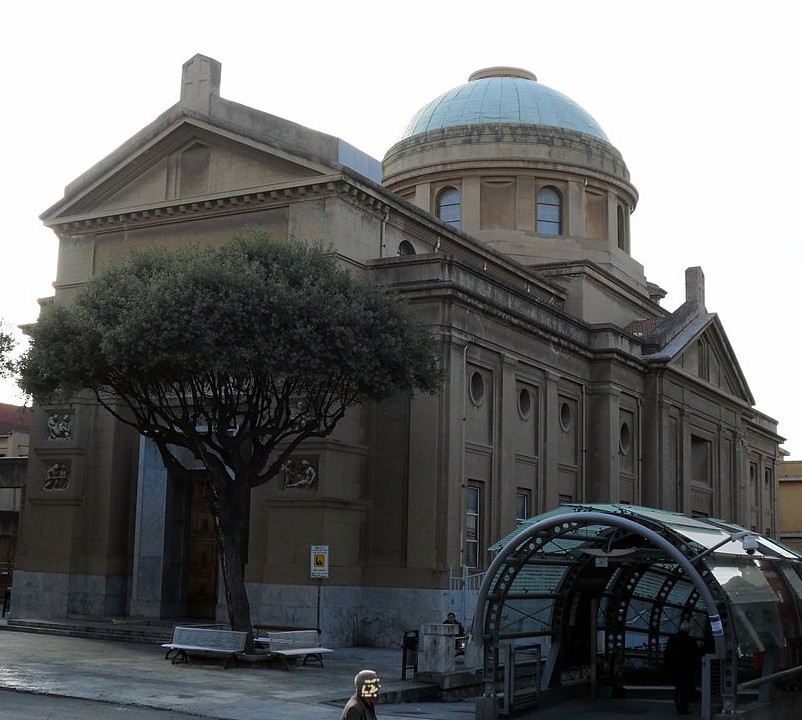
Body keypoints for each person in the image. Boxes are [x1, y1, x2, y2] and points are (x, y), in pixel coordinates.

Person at [663, 620, 701, 715]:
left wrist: (667, 667)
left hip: (675, 668)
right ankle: (683, 706)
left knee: (678, 687)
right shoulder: (691, 641)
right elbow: (695, 656)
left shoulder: (672, 639)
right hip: (687, 669)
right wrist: (696, 668)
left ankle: (678, 704)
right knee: (685, 688)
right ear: (688, 629)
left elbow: (668, 655)